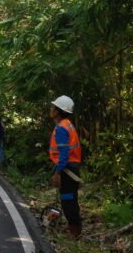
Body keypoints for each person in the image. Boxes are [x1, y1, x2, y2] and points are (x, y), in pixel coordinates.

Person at [49, 95, 83, 238]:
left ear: (58, 111)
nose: (50, 109)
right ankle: (72, 226)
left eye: (53, 107)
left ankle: (75, 230)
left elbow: (63, 153)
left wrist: (57, 173)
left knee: (68, 199)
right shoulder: (67, 123)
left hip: (67, 168)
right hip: (70, 167)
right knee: (69, 199)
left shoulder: (62, 128)